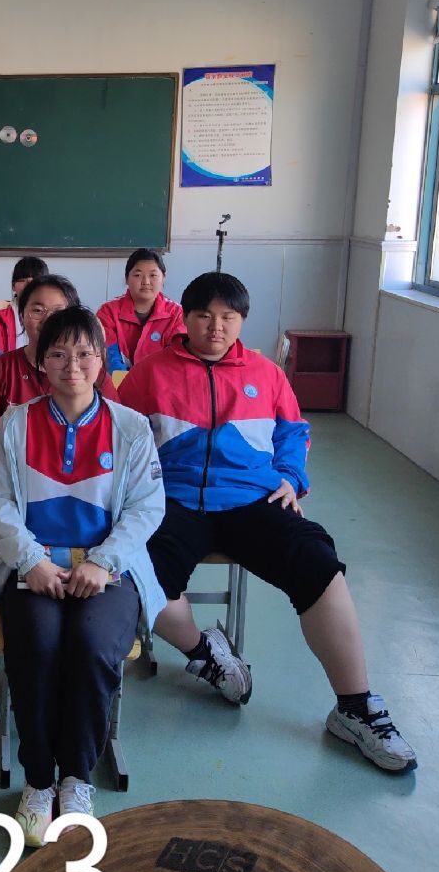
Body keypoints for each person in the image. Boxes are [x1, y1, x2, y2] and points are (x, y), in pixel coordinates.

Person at [119, 271, 416, 774]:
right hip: (174, 501)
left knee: (319, 564)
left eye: (228, 317)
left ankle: (355, 708)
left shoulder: (266, 373)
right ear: (185, 318)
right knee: (138, 577)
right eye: (204, 316)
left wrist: (291, 477)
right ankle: (207, 654)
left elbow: (293, 431)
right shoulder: (150, 373)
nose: (216, 327)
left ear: (242, 321)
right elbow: (119, 436)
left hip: (252, 499)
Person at [0, 306, 165, 845]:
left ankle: (77, 777)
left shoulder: (130, 427)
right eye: (58, 354)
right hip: (34, 567)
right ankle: (39, 780)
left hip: (108, 569)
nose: (72, 365)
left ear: (102, 359)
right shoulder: (17, 422)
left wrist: (103, 563)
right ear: (41, 362)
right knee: (36, 645)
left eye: (84, 353)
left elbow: (147, 507)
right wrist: (30, 560)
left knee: (92, 645)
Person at [0, 274, 118, 478]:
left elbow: (115, 437)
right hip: (8, 486)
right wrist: (8, 492)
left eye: (59, 311)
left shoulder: (92, 375)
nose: (48, 319)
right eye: (38, 310)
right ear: (22, 315)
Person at [95, 248, 185, 376]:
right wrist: (126, 381)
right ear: (127, 278)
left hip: (160, 382)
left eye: (153, 275)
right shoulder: (108, 312)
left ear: (163, 278)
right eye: (137, 275)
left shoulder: (177, 314)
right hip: (118, 382)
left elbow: (175, 357)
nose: (146, 282)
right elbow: (110, 355)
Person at [0, 255, 48, 363]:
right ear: (13, 286)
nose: (29, 285)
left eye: (35, 280)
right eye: (23, 280)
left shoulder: (56, 317)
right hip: (10, 373)